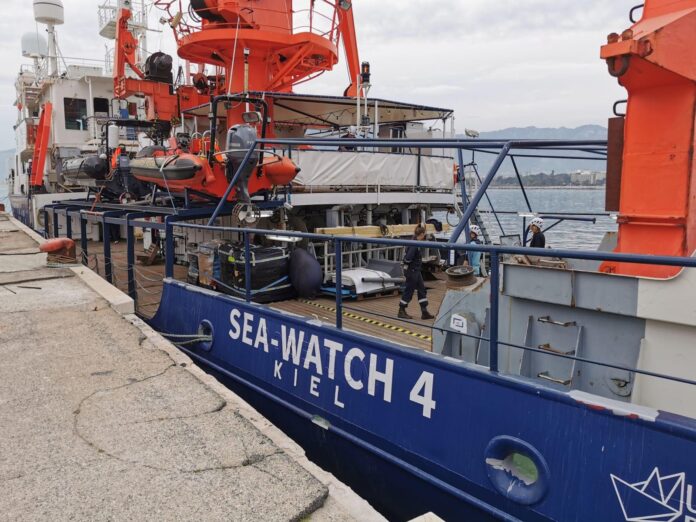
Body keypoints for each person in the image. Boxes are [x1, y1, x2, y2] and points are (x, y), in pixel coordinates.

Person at [399, 225, 435, 320]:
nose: (425, 236)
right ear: (422, 234)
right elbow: (408, 258)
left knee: (422, 289)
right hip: (412, 271)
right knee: (409, 290)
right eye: (424, 234)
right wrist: (410, 266)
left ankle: (424, 311)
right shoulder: (414, 244)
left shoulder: (414, 242)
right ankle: (401, 310)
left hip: (416, 271)